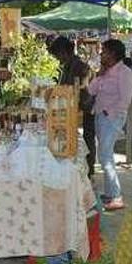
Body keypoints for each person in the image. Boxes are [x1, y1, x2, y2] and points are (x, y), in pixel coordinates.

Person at [86, 38, 132, 212]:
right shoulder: (106, 72)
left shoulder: (125, 73)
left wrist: (109, 113)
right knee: (104, 156)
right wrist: (99, 74)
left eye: (104, 51)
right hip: (100, 117)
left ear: (113, 54)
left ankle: (116, 197)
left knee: (106, 157)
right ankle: (110, 193)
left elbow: (125, 100)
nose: (101, 54)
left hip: (111, 119)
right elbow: (91, 90)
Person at [49, 36, 96, 177]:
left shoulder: (80, 67)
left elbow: (80, 90)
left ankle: (88, 171)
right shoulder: (68, 66)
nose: (57, 59)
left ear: (64, 52)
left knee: (87, 140)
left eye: (57, 55)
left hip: (84, 109)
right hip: (72, 109)